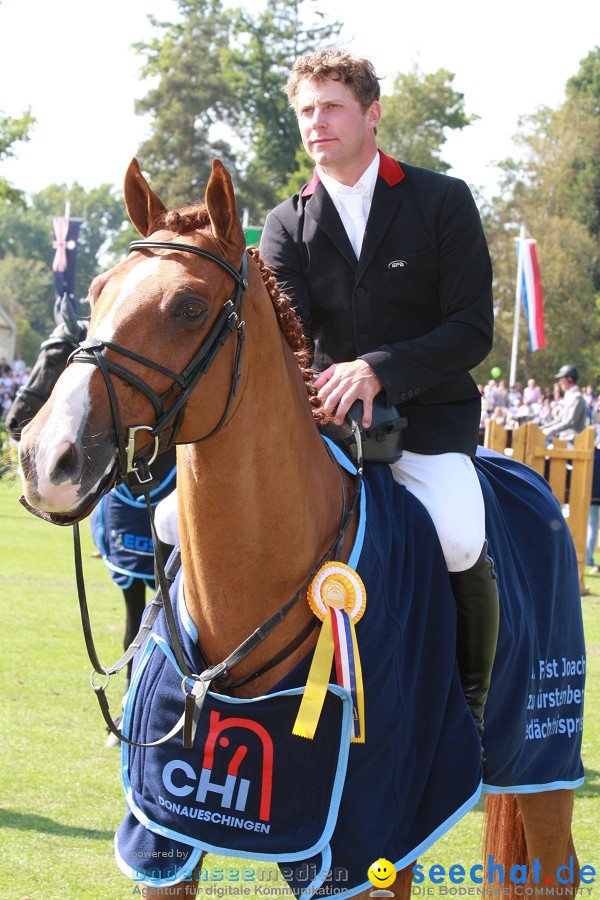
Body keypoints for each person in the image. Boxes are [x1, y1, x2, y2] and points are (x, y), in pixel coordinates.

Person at [259, 48, 499, 741]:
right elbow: (293, 341)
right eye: (306, 110)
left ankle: (472, 714)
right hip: (326, 429)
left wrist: (379, 368)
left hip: (427, 423)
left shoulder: (443, 200)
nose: (316, 122)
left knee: (457, 538)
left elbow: (472, 330)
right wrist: (339, 383)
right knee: (172, 524)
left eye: (331, 106)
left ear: (372, 114)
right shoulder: (285, 224)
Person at [541, 365, 588, 443]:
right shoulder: (569, 396)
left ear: (570, 379)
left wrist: (549, 431)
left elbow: (571, 422)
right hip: (564, 439)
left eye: (561, 379)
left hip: (573, 441)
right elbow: (560, 419)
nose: (560, 382)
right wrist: (543, 427)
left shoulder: (577, 397)